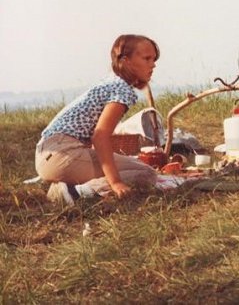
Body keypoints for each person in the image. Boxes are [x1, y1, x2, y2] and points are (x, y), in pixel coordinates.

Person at [35, 34, 160, 205]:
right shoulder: (122, 90)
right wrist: (115, 182)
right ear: (126, 60)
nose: (153, 64)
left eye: (154, 59)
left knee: (135, 164)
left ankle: (66, 182)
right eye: (147, 58)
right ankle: (74, 192)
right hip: (62, 155)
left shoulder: (110, 82)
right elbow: (100, 136)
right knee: (147, 174)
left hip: (50, 153)